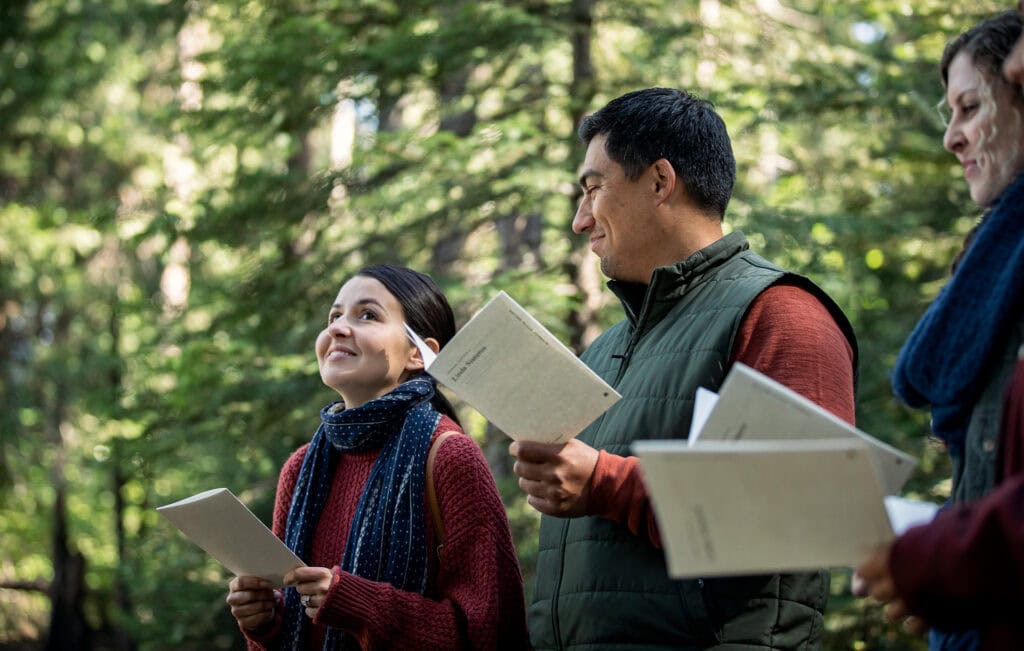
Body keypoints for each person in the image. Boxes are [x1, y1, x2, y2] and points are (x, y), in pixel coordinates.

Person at [509, 87, 858, 649]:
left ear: (659, 182)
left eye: (593, 188)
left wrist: (603, 482)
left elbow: (804, 506)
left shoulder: (781, 313)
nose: (580, 220)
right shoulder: (602, 353)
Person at [225, 264, 530, 650]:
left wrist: (358, 604)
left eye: (367, 315)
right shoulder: (301, 469)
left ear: (421, 355)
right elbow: (296, 625)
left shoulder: (449, 456)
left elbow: (488, 633)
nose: (337, 328)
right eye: (334, 315)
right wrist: (266, 623)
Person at [854, 7, 1024, 651]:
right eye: (948, 113)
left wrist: (941, 558)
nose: (952, 137)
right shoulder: (991, 259)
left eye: (971, 107)